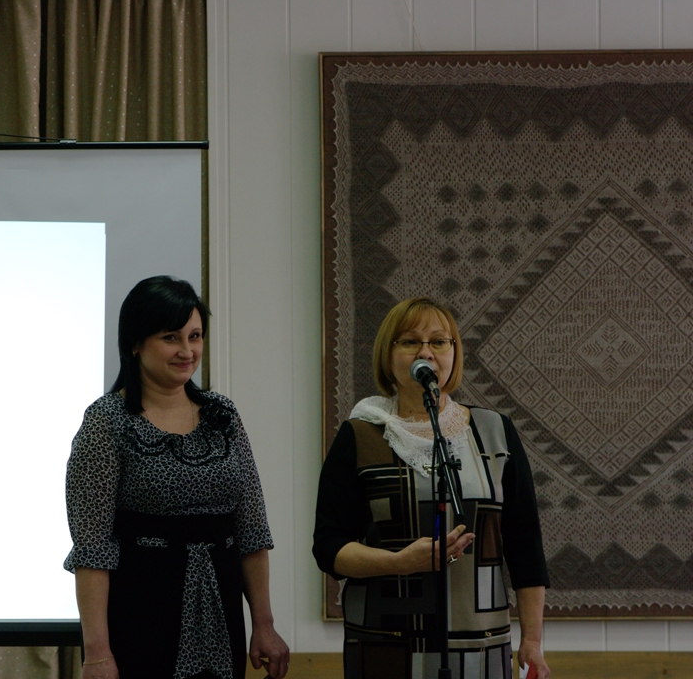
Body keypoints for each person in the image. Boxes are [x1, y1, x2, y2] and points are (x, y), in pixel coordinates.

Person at [313, 297, 550, 679]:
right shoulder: (360, 435)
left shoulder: (495, 431)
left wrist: (533, 640)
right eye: (410, 341)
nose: (426, 352)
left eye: (439, 341)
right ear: (388, 355)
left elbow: (525, 544)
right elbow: (328, 547)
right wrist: (400, 562)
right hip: (385, 645)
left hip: (480, 645)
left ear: (454, 353)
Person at [64, 276, 289, 679]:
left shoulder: (223, 415)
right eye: (171, 337)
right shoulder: (106, 422)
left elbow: (252, 530)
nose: (187, 351)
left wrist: (265, 624)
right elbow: (92, 550)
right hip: (141, 613)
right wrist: (96, 652)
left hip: (221, 613)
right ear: (136, 343)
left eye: (195, 336)